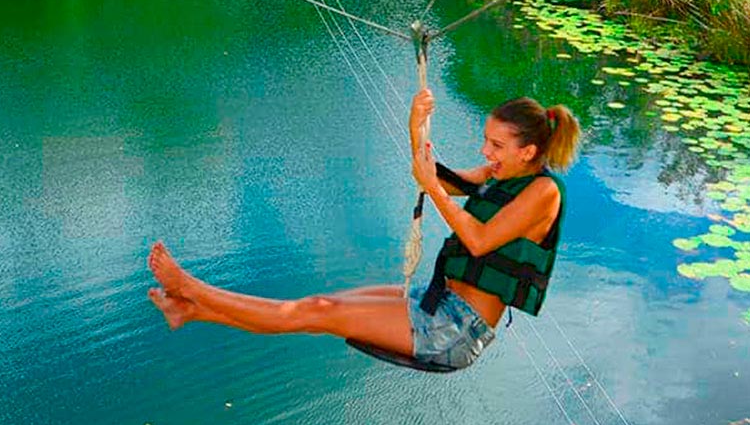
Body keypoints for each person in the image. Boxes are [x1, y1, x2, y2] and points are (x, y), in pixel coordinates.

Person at [147, 88, 581, 370]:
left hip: (454, 330)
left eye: (497, 146)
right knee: (317, 308)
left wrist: (434, 188)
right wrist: (415, 128)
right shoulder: (502, 175)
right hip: (437, 303)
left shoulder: (544, 193)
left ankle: (193, 289)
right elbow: (435, 179)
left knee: (316, 310)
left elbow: (479, 239)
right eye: (486, 140)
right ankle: (191, 309)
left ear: (528, 152)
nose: (485, 151)